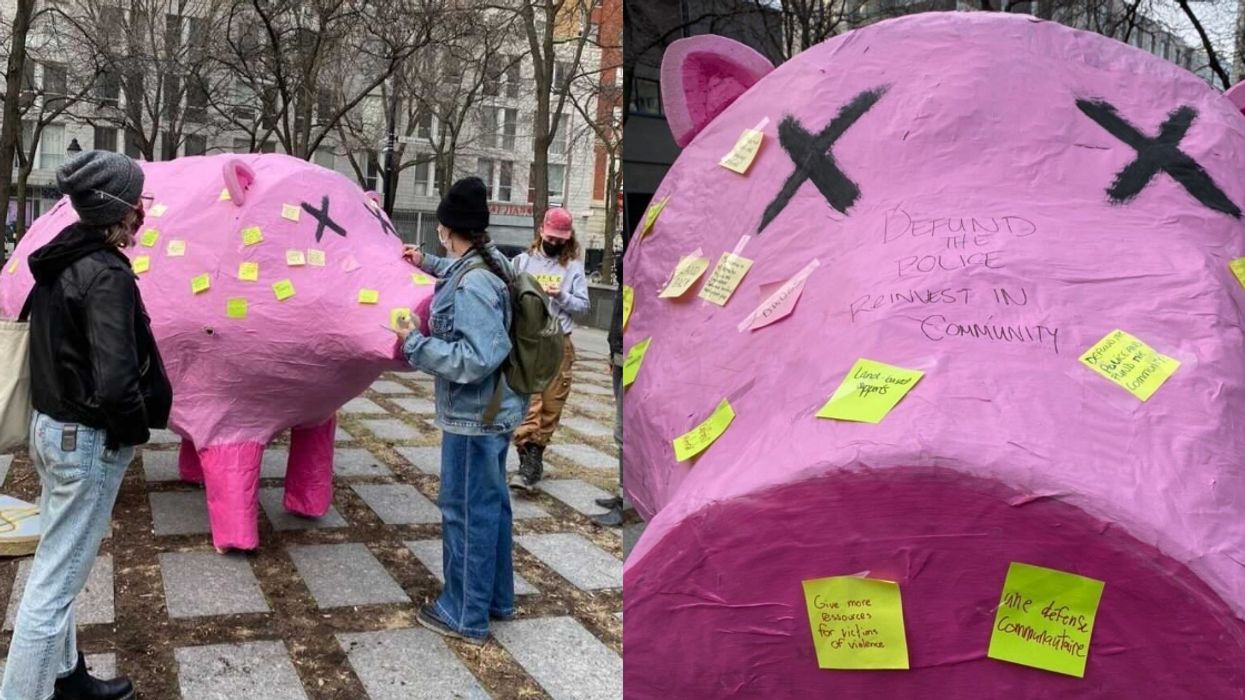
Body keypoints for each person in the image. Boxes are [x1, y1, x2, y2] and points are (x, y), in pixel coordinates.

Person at [3, 151, 171, 700]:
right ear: (120, 210)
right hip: (85, 441)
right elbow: (117, 380)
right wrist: (133, 432)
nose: (143, 211)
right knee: (53, 587)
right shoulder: (105, 274)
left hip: (52, 429)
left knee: (59, 563)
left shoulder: (60, 259)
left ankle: (65, 677)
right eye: (139, 201)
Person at [395, 176, 527, 645]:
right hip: (495, 410)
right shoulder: (490, 262)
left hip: (474, 418)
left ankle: (463, 613)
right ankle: (495, 600)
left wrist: (415, 343)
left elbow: (477, 357)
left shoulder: (473, 284)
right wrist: (426, 262)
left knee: (465, 513)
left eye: (440, 230)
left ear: (449, 229)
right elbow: (459, 272)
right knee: (491, 508)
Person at [508, 208, 589, 491]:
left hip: (558, 340)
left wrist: (561, 296)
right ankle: (526, 458)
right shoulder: (522, 262)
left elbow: (584, 307)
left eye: (560, 239)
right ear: (542, 231)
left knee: (552, 401)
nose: (554, 243)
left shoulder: (573, 267)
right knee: (528, 400)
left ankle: (536, 455)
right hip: (527, 340)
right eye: (551, 237)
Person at [593, 254, 626, 527]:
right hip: (620, 356)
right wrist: (612, 352)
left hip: (636, 359)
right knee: (622, 433)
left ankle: (627, 501)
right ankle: (623, 494)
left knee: (625, 433)